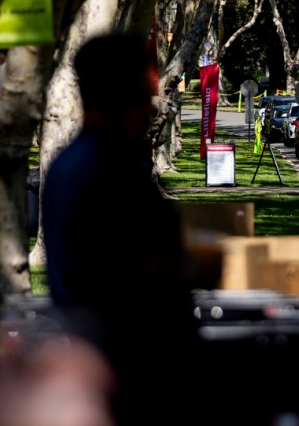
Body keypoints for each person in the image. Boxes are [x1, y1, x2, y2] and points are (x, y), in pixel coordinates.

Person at [42, 33, 206, 426]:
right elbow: (134, 274)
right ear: (123, 93)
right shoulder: (109, 170)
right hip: (132, 374)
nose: (150, 108)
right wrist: (201, 268)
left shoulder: (74, 164)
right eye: (142, 91)